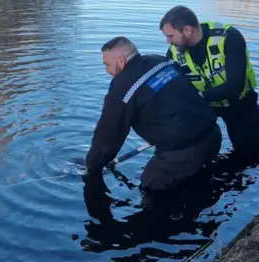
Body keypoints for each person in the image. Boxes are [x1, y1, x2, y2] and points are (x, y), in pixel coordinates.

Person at [85, 36, 221, 192]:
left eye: (107, 65)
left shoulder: (122, 86)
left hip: (183, 152)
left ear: (121, 61)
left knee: (150, 185)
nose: (107, 71)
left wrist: (92, 166)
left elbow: (108, 134)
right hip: (213, 136)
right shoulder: (162, 61)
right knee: (195, 177)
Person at [160, 5, 259, 163]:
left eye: (170, 36)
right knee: (185, 144)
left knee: (250, 155)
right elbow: (170, 86)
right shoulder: (174, 52)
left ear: (187, 30)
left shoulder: (229, 37)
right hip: (204, 106)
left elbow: (236, 85)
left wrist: (199, 96)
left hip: (240, 103)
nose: (168, 42)